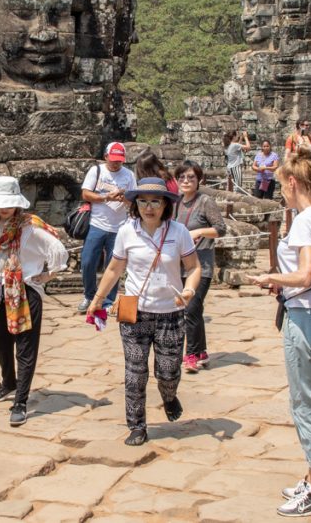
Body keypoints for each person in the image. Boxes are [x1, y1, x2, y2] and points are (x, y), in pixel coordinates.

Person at [246, 148, 311, 517]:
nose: (280, 193)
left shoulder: (305, 220)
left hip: (305, 319)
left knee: (305, 405)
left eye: (281, 186)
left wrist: (272, 278)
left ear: (293, 182)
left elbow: (304, 274)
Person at [86, 177, 202, 446]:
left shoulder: (179, 232)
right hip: (135, 312)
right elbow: (115, 268)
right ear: (135, 204)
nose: (149, 207)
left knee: (168, 371)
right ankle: (136, 425)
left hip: (170, 313)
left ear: (165, 205)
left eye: (155, 201)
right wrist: (97, 298)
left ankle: (169, 396)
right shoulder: (127, 231)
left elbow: (194, 267)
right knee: (135, 373)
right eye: (143, 201)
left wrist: (190, 290)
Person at [0, 177, 69, 427]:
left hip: (26, 290)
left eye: (8, 204)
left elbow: (58, 249)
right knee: (1, 342)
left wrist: (48, 275)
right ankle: (8, 381)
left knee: (25, 348)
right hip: (1, 289)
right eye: (0, 204)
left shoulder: (31, 227)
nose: (4, 209)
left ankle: (20, 400)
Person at [173, 161, 227, 373]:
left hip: (201, 265)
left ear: (199, 180)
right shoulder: (176, 203)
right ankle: (202, 352)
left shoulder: (205, 201)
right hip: (179, 266)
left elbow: (220, 229)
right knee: (190, 310)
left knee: (192, 309)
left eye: (191, 177)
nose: (186, 181)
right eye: (182, 178)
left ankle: (192, 355)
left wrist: (199, 232)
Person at [78, 142, 137, 314]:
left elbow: (134, 200)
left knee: (114, 266)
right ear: (105, 157)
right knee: (88, 262)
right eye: (113, 160)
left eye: (119, 160)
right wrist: (106, 197)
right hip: (97, 224)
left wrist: (123, 199)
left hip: (119, 227)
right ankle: (89, 296)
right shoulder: (96, 171)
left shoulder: (129, 175)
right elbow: (85, 193)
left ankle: (108, 300)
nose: (116, 163)